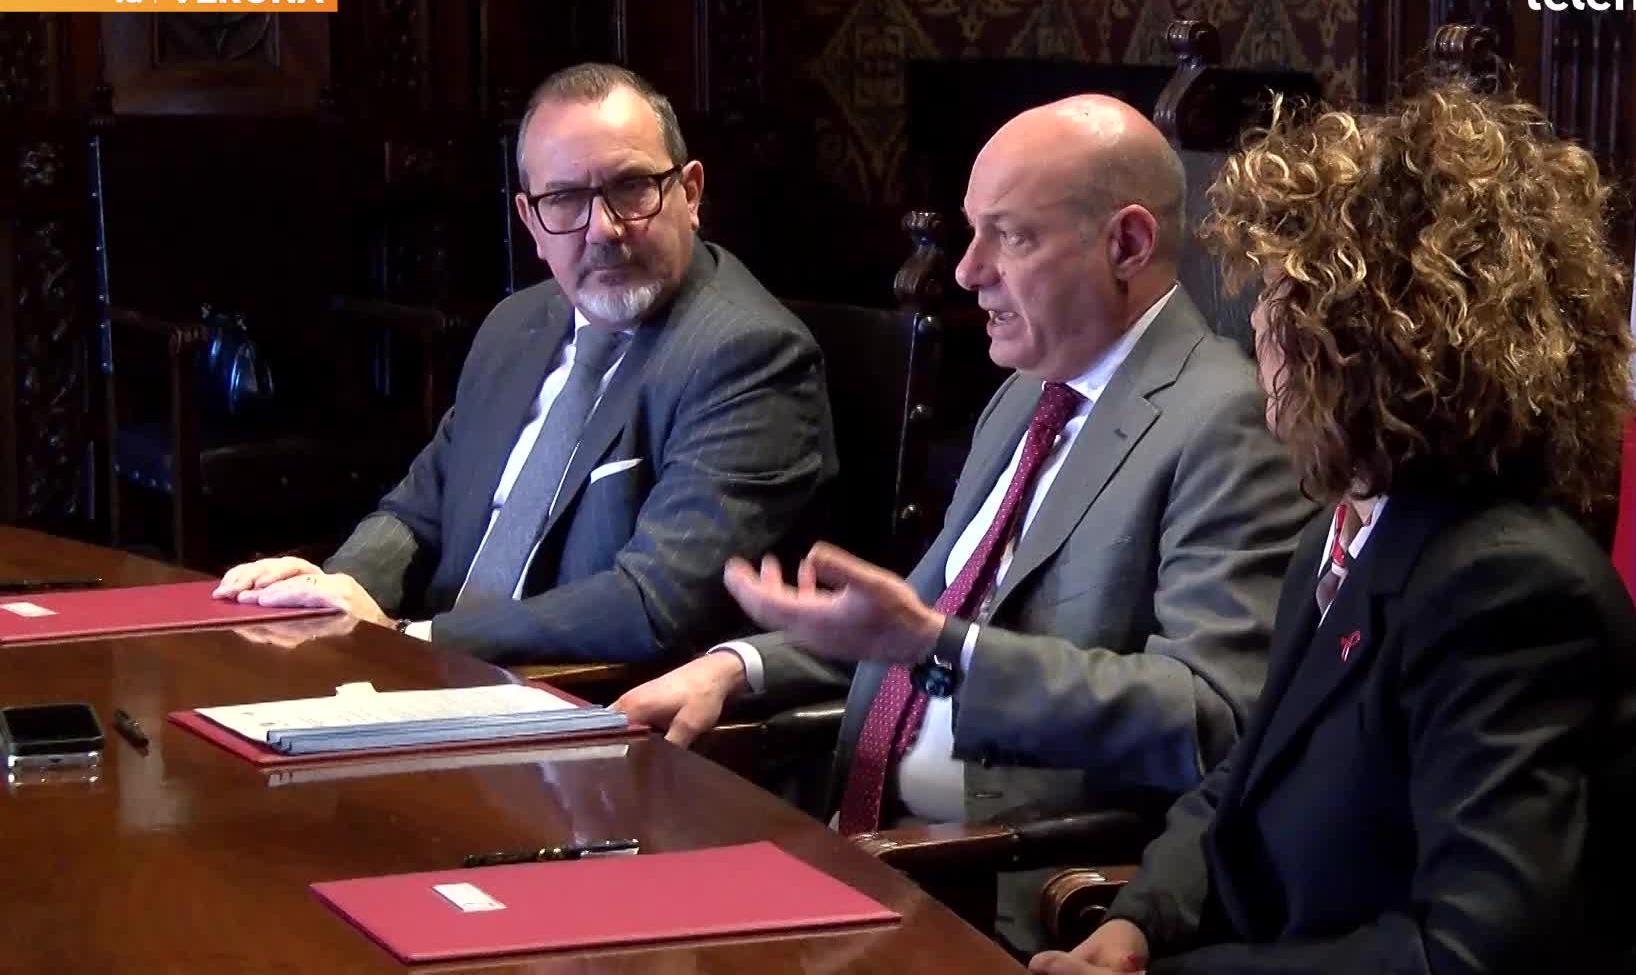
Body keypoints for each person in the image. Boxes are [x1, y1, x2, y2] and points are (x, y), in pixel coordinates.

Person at [614, 94, 1316, 952]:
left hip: (996, 892)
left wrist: (943, 648)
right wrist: (739, 666)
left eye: (1009, 237)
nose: (967, 271)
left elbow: (1210, 718)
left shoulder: (1225, 421)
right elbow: (919, 621)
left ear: (1127, 245)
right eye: (972, 232)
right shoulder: (1026, 395)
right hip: (853, 852)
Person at [1030, 80, 1636, 975]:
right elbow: (1249, 779)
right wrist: (1142, 923)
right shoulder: (1347, 534)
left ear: (1369, 344)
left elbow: (1467, 955)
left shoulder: (1508, 591)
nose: (1256, 326)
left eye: (1279, 299)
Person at [211, 63, 836, 664]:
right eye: (564, 199)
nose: (603, 229)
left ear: (690, 193)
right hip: (427, 669)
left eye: (631, 187)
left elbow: (653, 604)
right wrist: (339, 588)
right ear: (530, 221)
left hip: (578, 705)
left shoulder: (748, 356)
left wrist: (411, 638)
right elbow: (419, 510)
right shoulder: (516, 325)